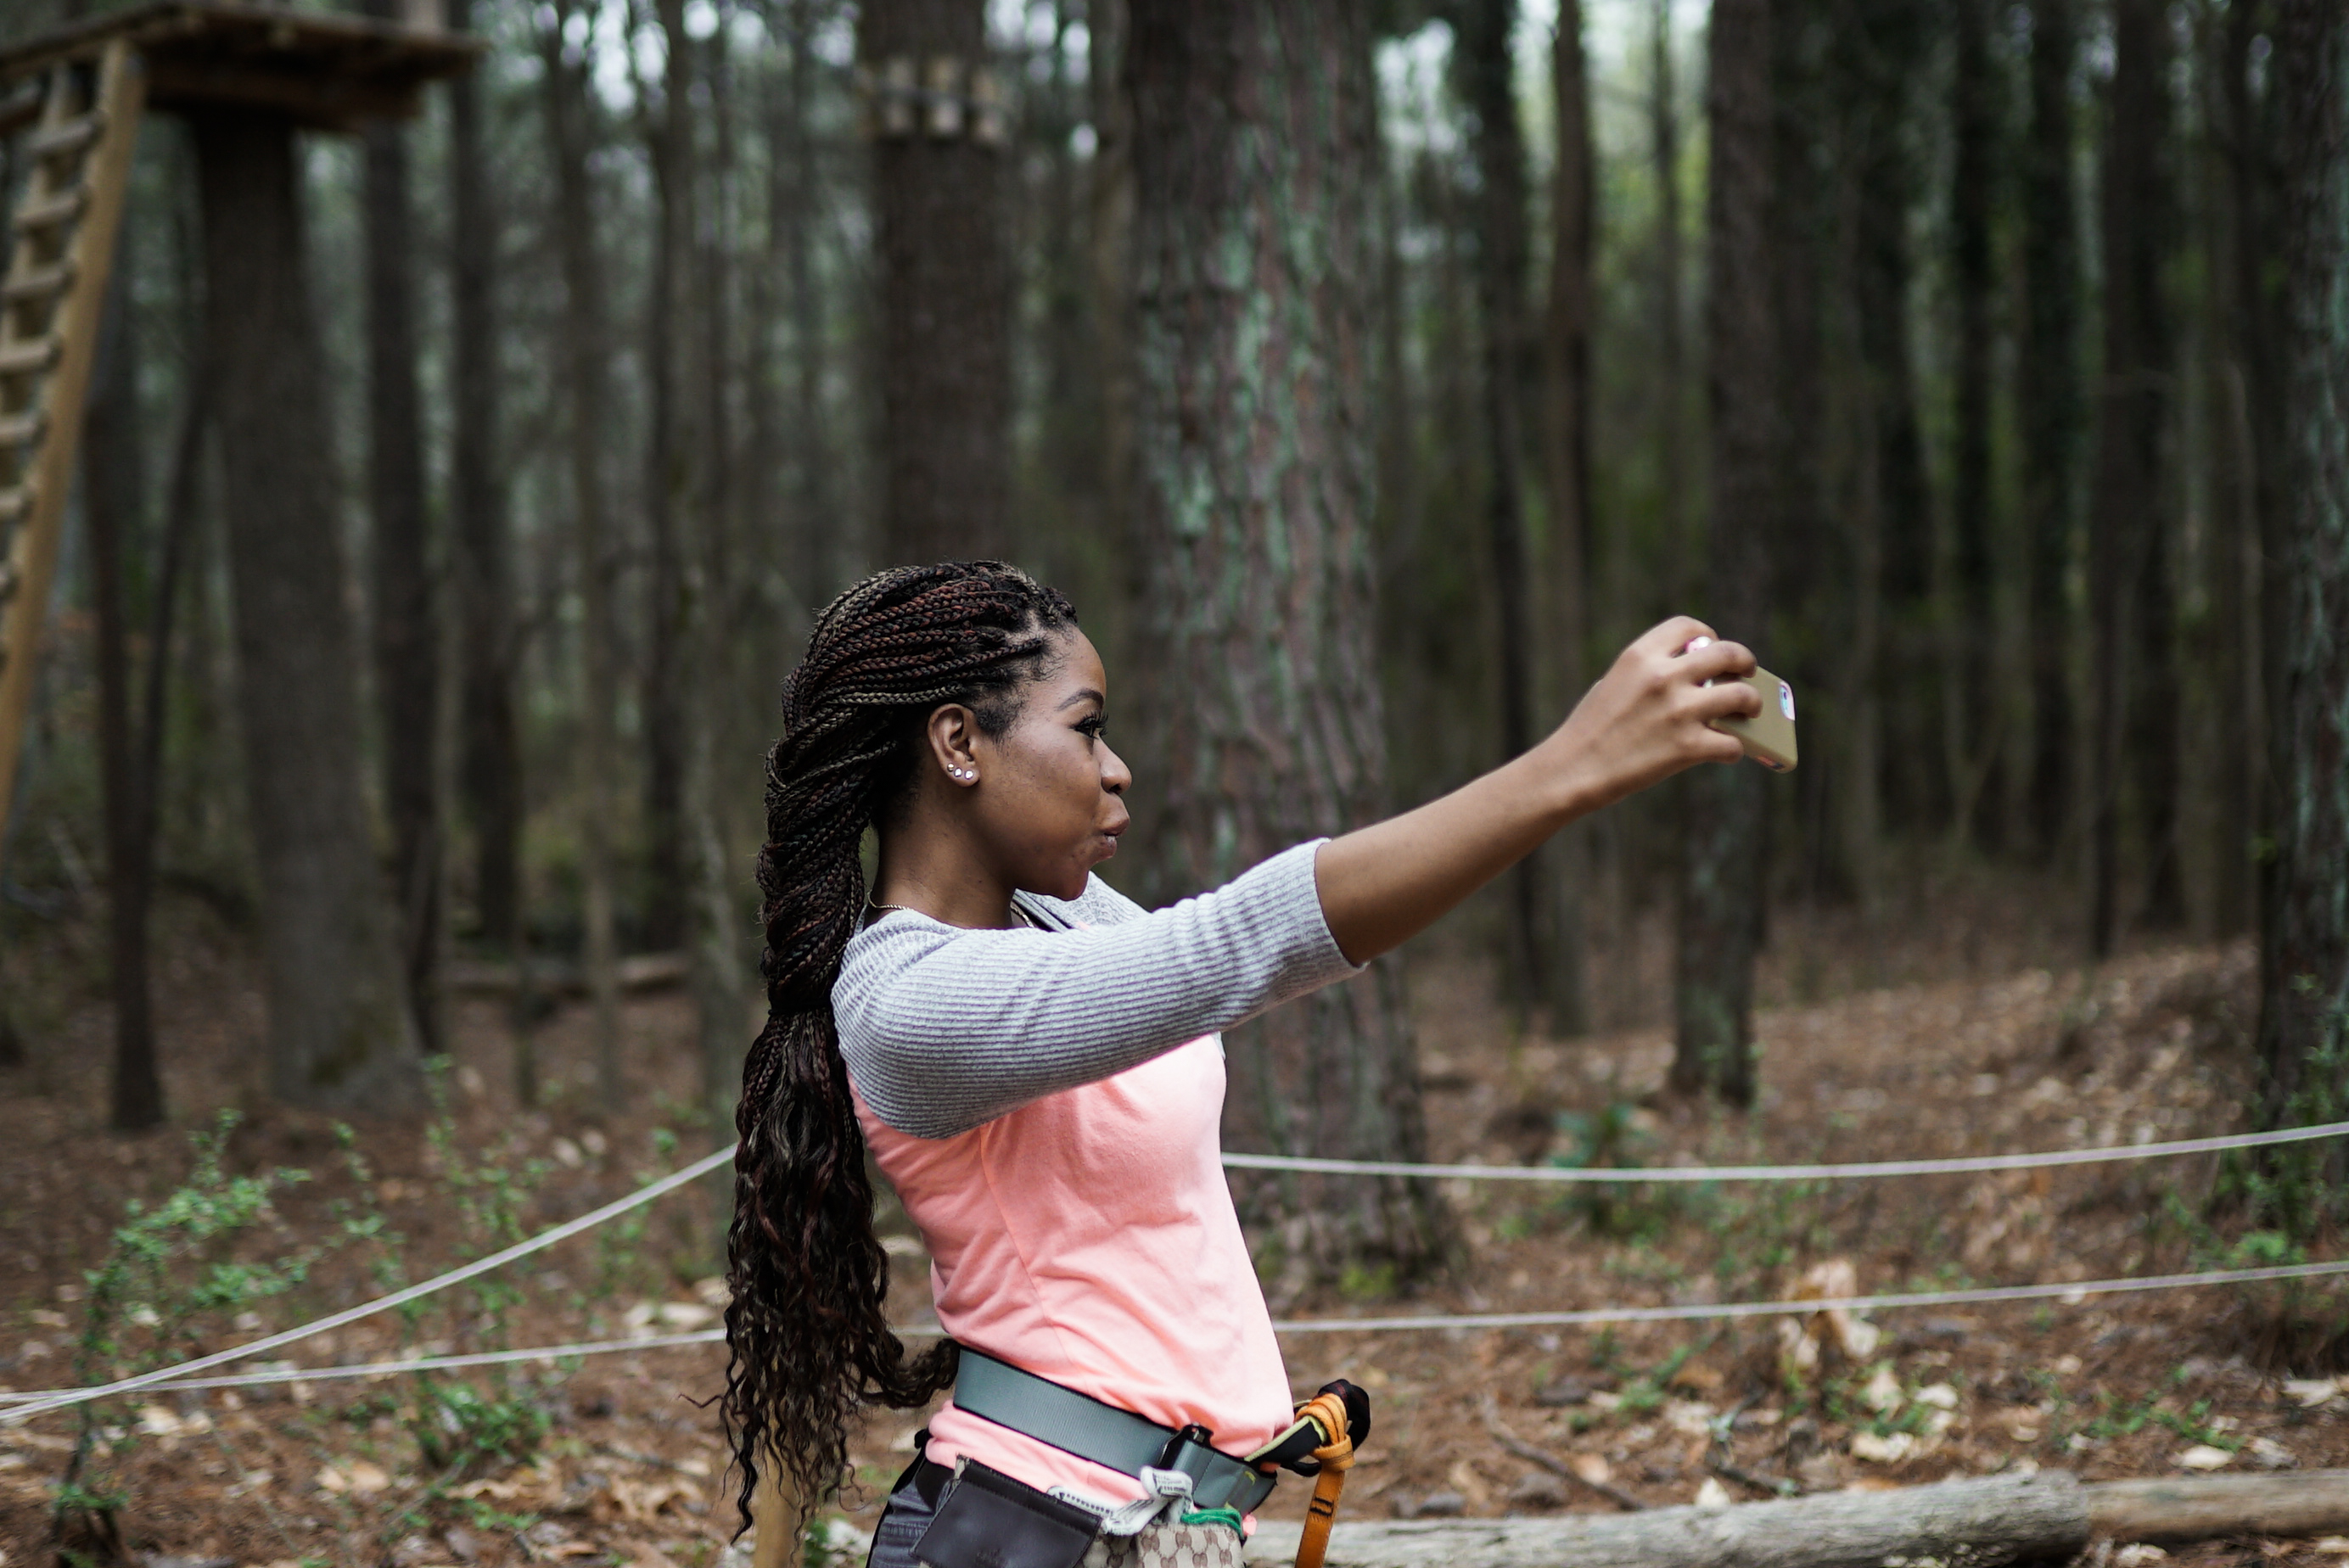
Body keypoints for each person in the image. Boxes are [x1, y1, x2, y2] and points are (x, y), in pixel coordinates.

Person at [720, 561, 1762, 1567]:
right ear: (959, 744)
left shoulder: (1063, 920)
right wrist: (1572, 765)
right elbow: (1237, 943)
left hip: (1167, 1530)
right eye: (1085, 728)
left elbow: (1258, 939)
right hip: (1035, 1529)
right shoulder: (905, 999)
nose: (1116, 766)